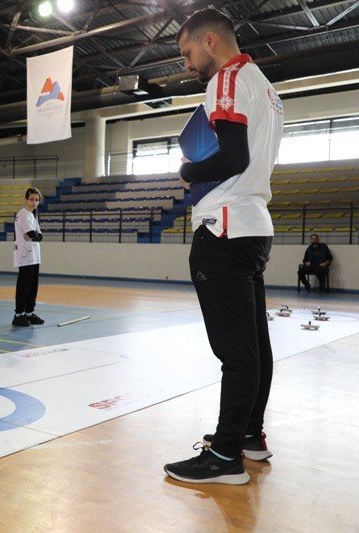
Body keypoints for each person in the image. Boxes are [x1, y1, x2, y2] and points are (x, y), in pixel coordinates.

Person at [164, 9, 283, 485]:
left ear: (209, 41)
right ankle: (250, 437)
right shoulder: (268, 90)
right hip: (253, 226)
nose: (188, 65)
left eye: (188, 53)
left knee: (236, 352)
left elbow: (233, 156)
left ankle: (226, 455)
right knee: (255, 346)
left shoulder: (229, 80)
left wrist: (187, 172)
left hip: (225, 228)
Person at [12, 187, 45, 327]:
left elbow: (40, 236)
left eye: (37, 200)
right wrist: (35, 236)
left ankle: (29, 312)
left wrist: (35, 236)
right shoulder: (23, 214)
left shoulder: (33, 215)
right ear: (26, 199)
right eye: (31, 199)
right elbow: (32, 234)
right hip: (25, 256)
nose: (34, 202)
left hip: (35, 255)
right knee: (24, 286)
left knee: (33, 286)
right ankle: (18, 315)